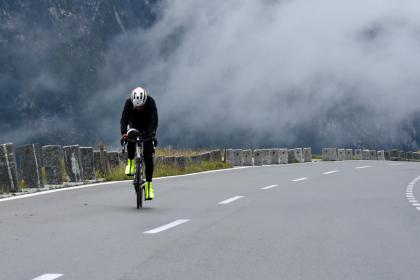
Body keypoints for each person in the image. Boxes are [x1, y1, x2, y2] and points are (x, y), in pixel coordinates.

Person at [120, 86, 158, 200]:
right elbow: (123, 120)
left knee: (148, 155)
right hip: (134, 125)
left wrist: (151, 134)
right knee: (130, 139)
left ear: (145, 101)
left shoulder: (151, 102)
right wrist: (124, 134)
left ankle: (149, 186)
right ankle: (131, 162)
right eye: (137, 106)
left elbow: (154, 120)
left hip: (147, 127)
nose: (139, 108)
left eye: (141, 106)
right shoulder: (128, 103)